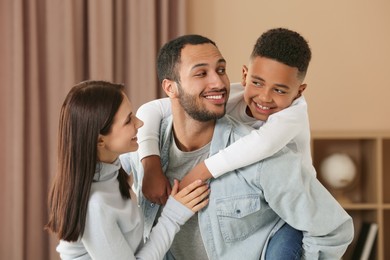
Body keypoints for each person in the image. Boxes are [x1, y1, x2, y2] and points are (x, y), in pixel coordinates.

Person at [121, 34, 354, 259]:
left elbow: (332, 230)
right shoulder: (138, 145)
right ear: (170, 87)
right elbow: (150, 110)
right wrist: (150, 165)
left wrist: (200, 171)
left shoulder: (267, 150)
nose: (218, 81)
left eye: (221, 70)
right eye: (201, 73)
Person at [45, 80, 210, 260]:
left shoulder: (109, 170)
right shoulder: (95, 205)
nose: (139, 123)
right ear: (100, 141)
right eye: (128, 120)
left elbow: (155, 110)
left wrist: (150, 165)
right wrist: (173, 215)